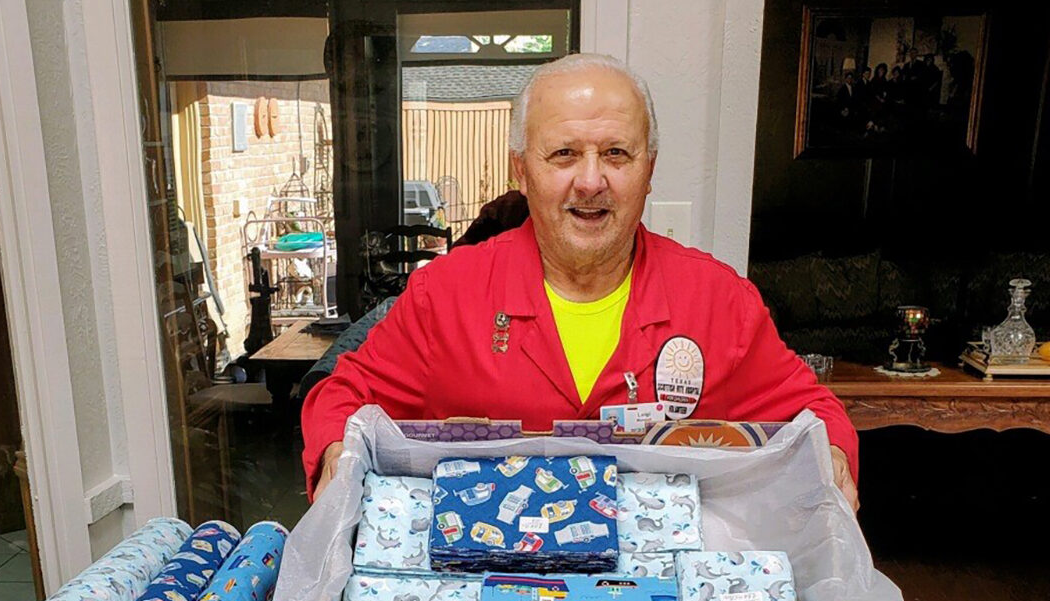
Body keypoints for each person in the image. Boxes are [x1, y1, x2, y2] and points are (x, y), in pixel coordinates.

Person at [302, 53, 859, 510]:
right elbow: (343, 395)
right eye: (564, 154)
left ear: (649, 168)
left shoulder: (718, 302)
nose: (591, 181)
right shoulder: (443, 296)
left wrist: (833, 456)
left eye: (616, 154)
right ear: (521, 170)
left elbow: (812, 414)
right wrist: (334, 453)